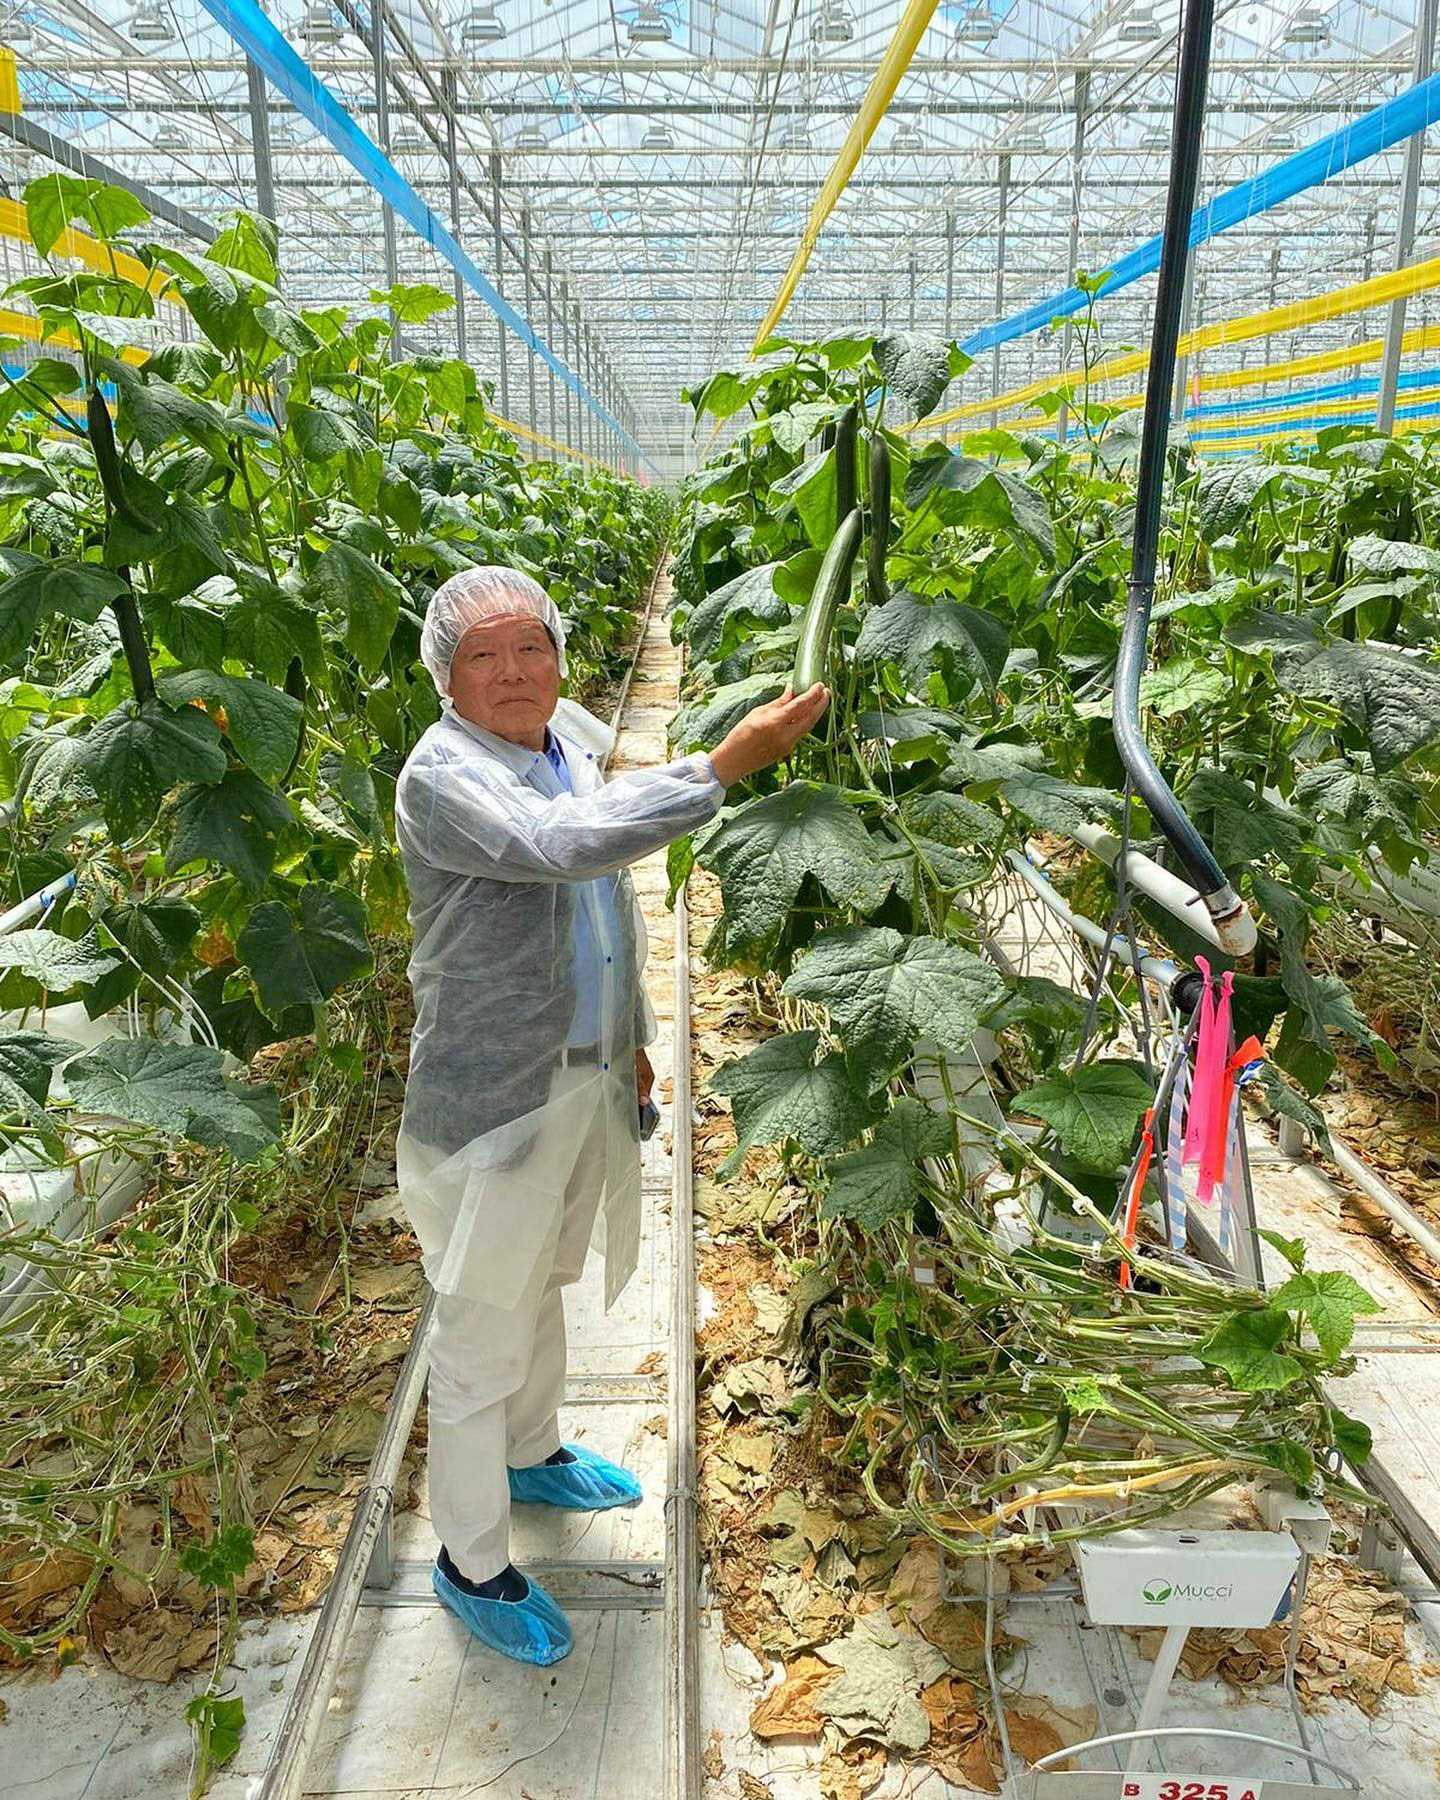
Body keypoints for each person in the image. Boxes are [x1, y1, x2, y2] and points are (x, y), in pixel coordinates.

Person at [394, 565, 828, 1668]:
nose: (511, 673)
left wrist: (631, 1039)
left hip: (582, 1074)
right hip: (498, 1094)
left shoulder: (563, 742)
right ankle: (470, 1556)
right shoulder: (443, 778)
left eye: (529, 647)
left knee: (542, 1282)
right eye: (483, 656)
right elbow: (563, 851)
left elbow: (605, 910)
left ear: (560, 651)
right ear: (446, 674)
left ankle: (533, 1454)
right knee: (478, 1330)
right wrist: (724, 766)